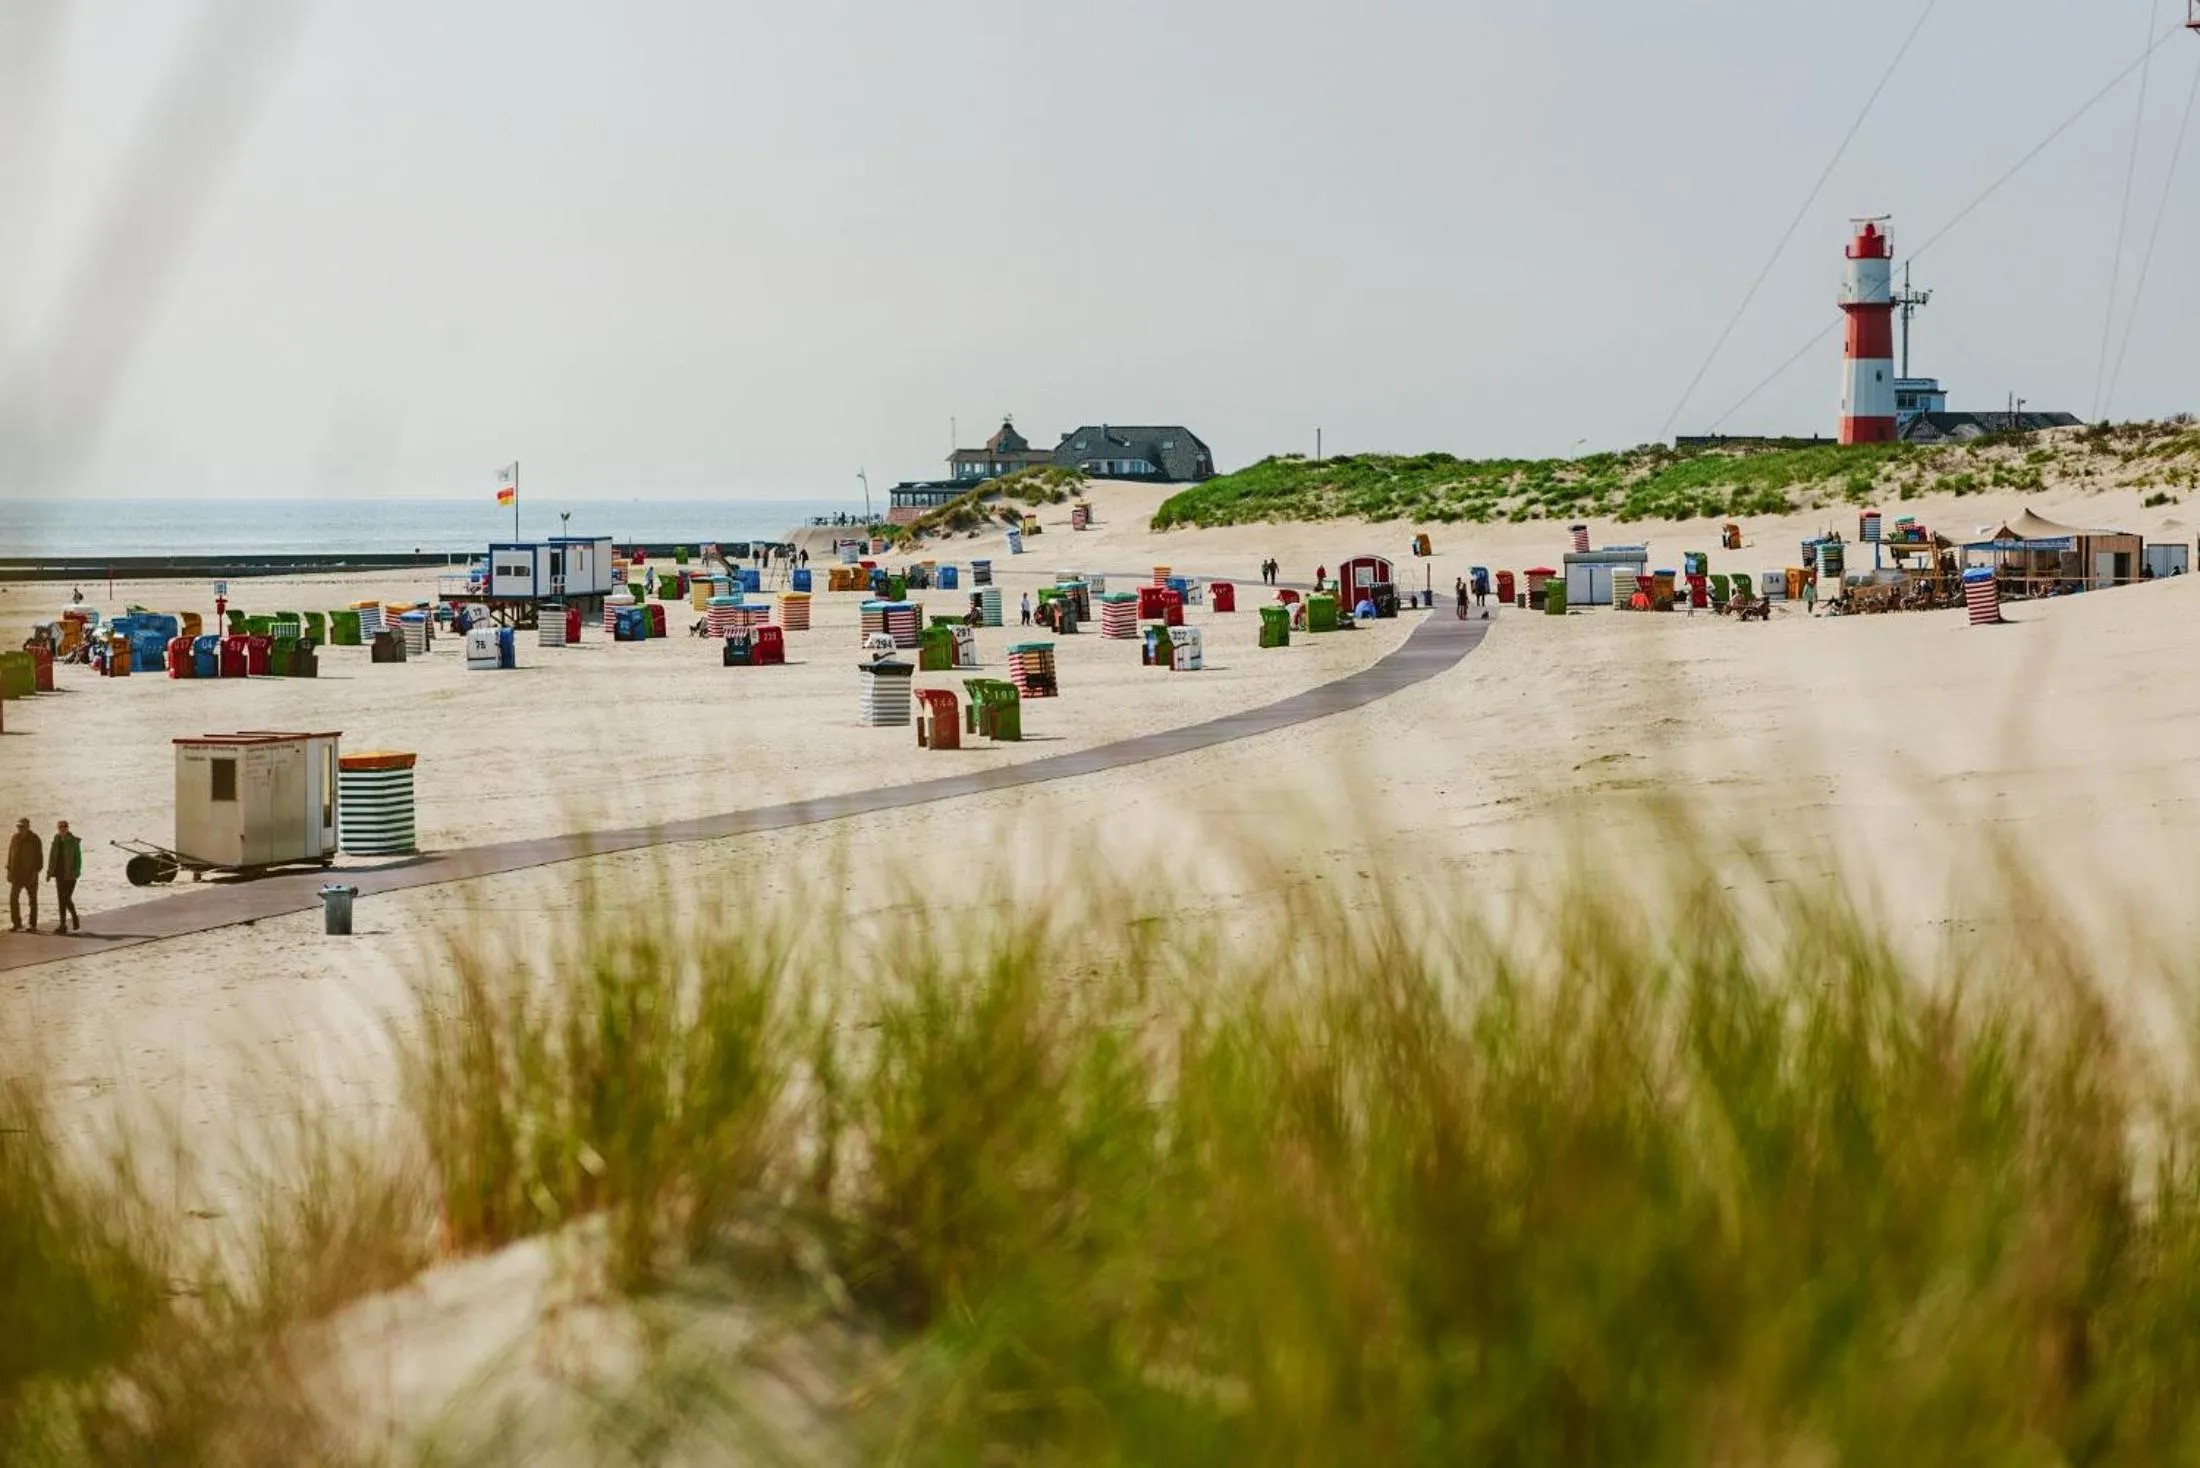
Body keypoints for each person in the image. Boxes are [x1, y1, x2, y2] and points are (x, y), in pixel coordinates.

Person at [8, 818, 42, 933]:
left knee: (32, 900)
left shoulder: (35, 839)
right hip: (17, 876)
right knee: (13, 899)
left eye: (22, 827)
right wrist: (9, 871)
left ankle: (32, 925)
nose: (19, 829)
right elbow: (10, 855)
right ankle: (16, 924)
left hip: (30, 875)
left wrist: (35, 873)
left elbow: (39, 859)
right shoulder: (15, 838)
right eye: (18, 827)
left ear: (27, 827)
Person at [47, 820, 80, 934]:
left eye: (64, 827)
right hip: (59, 874)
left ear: (67, 828)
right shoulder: (56, 840)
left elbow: (78, 858)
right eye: (60, 827)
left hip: (70, 875)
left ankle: (75, 917)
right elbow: (51, 857)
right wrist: (49, 872)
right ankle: (62, 925)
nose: (62, 829)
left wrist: (76, 871)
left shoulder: (73, 841)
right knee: (61, 900)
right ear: (58, 828)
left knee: (66, 898)